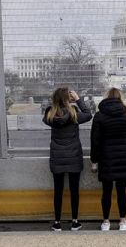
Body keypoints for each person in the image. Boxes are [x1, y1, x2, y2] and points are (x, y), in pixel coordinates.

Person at [42, 87, 92, 231]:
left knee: (58, 190)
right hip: (74, 156)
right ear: (67, 98)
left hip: (57, 157)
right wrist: (78, 99)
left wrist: (57, 102)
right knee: (74, 190)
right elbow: (89, 114)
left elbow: (45, 117)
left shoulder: (50, 114)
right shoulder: (74, 113)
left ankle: (57, 222)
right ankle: (75, 221)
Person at [90, 88, 126, 231]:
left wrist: (94, 160)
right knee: (122, 191)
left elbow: (95, 141)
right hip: (122, 156)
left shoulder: (99, 115)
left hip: (106, 156)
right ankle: (122, 221)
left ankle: (106, 222)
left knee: (106, 191)